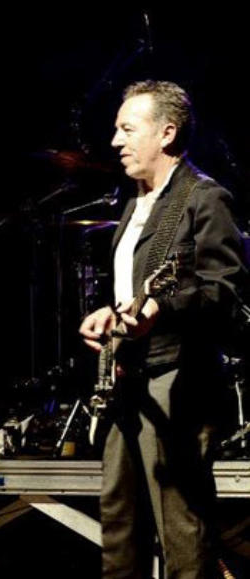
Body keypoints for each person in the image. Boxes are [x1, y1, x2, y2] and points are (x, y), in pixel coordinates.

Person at [79, 81, 247, 577]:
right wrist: (110, 314)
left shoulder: (204, 198)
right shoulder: (135, 204)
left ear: (167, 133)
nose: (115, 141)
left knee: (182, 532)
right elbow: (135, 291)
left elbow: (225, 293)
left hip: (178, 382)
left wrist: (163, 309)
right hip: (126, 381)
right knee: (119, 531)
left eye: (127, 129)